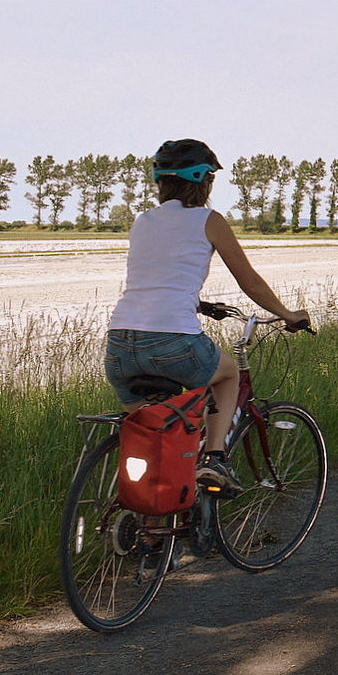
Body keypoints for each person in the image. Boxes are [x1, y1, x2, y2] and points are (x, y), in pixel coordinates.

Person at [105, 139, 310, 496]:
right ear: (204, 181)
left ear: (161, 182)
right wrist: (288, 314)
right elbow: (249, 281)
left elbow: (157, 277)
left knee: (158, 436)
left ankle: (153, 533)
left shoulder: (142, 222)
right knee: (227, 375)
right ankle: (216, 460)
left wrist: (197, 303)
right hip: (172, 342)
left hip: (119, 346)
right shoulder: (209, 220)